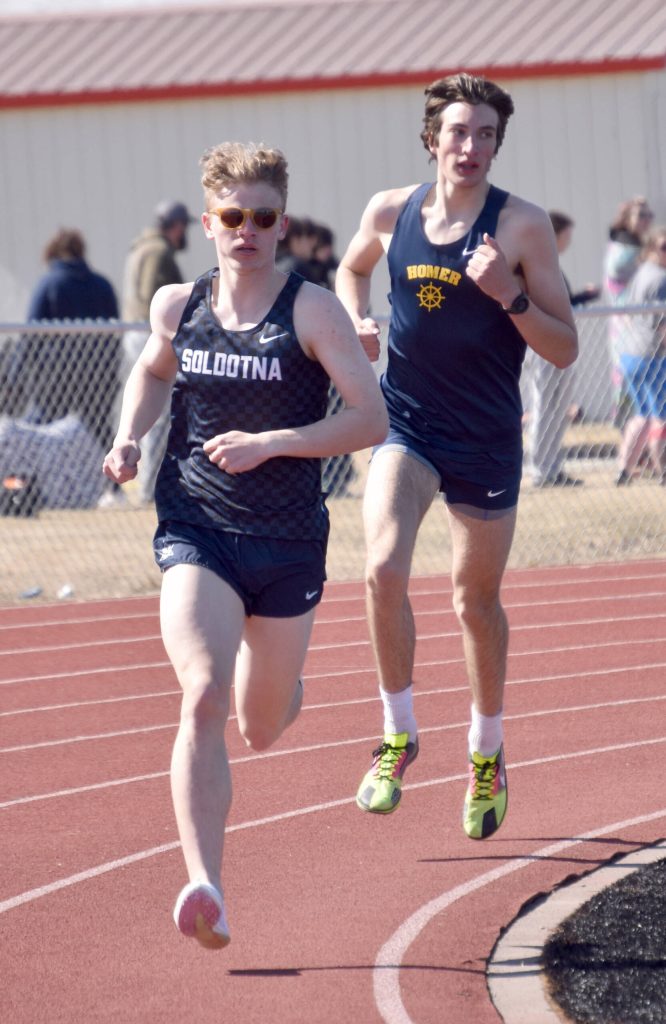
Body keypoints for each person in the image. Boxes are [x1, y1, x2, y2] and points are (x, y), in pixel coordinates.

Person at [102, 141, 387, 949]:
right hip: (197, 527)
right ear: (209, 223)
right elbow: (153, 373)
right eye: (234, 217)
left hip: (288, 542)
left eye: (264, 217)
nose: (248, 231)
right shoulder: (177, 305)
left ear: (282, 224)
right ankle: (207, 885)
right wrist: (128, 437)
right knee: (202, 694)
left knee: (260, 724)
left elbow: (370, 418)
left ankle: (286, 689)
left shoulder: (312, 311)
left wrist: (273, 443)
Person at [335, 72, 577, 840]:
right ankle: (397, 734)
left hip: (485, 438)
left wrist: (509, 294)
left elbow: (565, 347)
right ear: (432, 137)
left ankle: (486, 751)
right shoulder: (390, 211)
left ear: (497, 145)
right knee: (382, 569)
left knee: (473, 602)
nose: (471, 147)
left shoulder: (522, 227)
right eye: (459, 132)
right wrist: (355, 320)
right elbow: (351, 268)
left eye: (486, 135)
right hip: (408, 426)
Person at [8, 228, 119, 434]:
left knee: (40, 432)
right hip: (97, 381)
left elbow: (30, 337)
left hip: (55, 382)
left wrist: (14, 378)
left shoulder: (48, 284)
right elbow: (114, 338)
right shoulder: (103, 285)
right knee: (98, 435)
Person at [120, 199, 194, 504]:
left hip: (136, 332)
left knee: (151, 411)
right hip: (149, 333)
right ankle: (150, 487)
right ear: (175, 226)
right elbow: (153, 295)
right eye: (184, 226)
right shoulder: (158, 251)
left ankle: (149, 484)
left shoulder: (141, 246)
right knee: (158, 414)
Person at [528, 210, 599, 487]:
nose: (568, 241)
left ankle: (553, 467)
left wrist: (584, 296)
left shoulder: (551, 264)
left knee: (558, 408)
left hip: (558, 344)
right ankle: (540, 469)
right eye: (566, 235)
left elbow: (563, 302)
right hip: (541, 345)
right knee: (544, 405)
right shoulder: (537, 263)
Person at [614, 227, 666, 485]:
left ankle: (623, 471)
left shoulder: (642, 271)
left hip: (630, 352)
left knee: (642, 413)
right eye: (664, 247)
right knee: (660, 415)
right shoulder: (661, 278)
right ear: (652, 248)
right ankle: (662, 470)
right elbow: (662, 325)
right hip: (652, 354)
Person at [603, 196, 654, 430]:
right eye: (641, 215)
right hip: (627, 323)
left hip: (643, 322)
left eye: (649, 215)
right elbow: (616, 271)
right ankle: (628, 425)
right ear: (628, 219)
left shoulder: (638, 246)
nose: (646, 220)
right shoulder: (624, 247)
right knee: (628, 374)